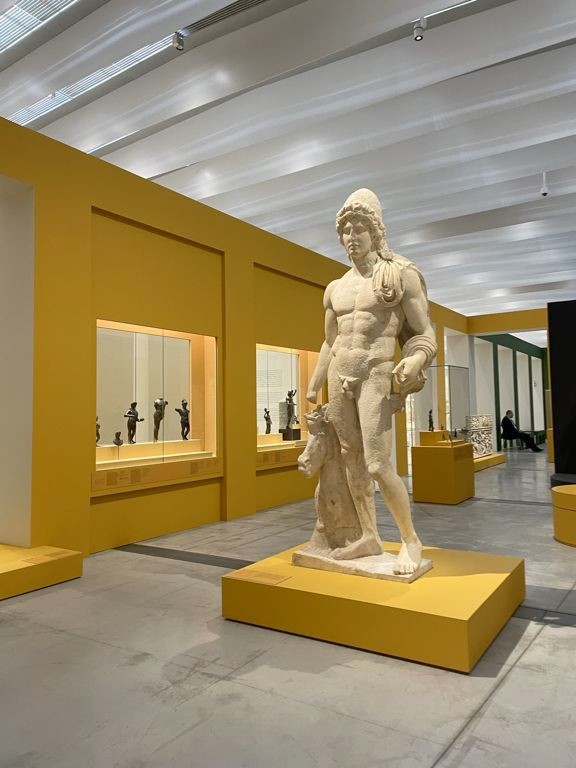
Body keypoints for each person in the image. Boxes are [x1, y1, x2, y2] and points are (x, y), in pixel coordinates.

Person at [306, 188, 436, 575]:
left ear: (376, 231)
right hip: (339, 376)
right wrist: (315, 381)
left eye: (359, 228)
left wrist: (416, 358)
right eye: (346, 230)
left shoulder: (398, 275)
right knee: (351, 458)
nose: (352, 236)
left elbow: (424, 332)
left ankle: (410, 540)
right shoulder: (335, 288)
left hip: (375, 373)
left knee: (378, 464)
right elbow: (331, 341)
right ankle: (368, 535)